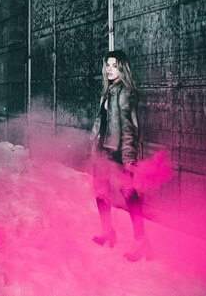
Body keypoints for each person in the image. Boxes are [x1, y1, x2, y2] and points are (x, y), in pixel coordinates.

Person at [89, 50, 152, 262]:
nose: (109, 69)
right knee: (100, 191)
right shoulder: (108, 91)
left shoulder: (126, 92)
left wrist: (128, 157)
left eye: (114, 66)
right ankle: (107, 230)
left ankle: (142, 241)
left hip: (118, 152)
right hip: (103, 148)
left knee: (129, 194)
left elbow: (130, 127)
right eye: (107, 65)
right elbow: (102, 120)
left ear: (122, 68)